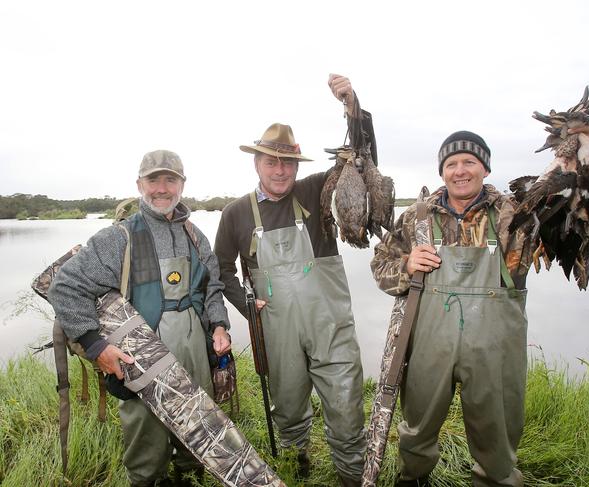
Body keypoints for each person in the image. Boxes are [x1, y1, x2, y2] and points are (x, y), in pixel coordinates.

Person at [214, 75, 370, 486]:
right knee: (286, 406)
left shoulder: (318, 191)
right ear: (257, 163)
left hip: (330, 325)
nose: (280, 170)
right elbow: (220, 270)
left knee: (346, 402)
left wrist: (352, 106)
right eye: (271, 161)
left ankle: (352, 475)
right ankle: (295, 463)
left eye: (287, 163)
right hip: (276, 328)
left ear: (297, 166)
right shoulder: (235, 214)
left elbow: (360, 157)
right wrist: (246, 303)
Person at [49, 150, 232, 487]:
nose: (161, 188)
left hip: (195, 348)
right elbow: (65, 287)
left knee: (197, 429)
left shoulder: (196, 236)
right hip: (140, 355)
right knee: (146, 444)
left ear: (182, 185)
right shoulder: (118, 237)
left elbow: (213, 287)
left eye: (170, 179)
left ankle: (189, 476)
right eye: (153, 180)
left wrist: (219, 325)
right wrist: (95, 345)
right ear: (139, 184)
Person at [371, 131, 532, 487]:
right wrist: (407, 264)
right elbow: (379, 267)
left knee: (497, 431)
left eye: (469, 162)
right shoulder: (418, 217)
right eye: (451, 164)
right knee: (417, 427)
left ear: (485, 168)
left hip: (495, 348)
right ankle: (413, 479)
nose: (460, 171)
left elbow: (569, 232)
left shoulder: (515, 215)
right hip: (431, 342)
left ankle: (496, 479)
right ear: (442, 171)